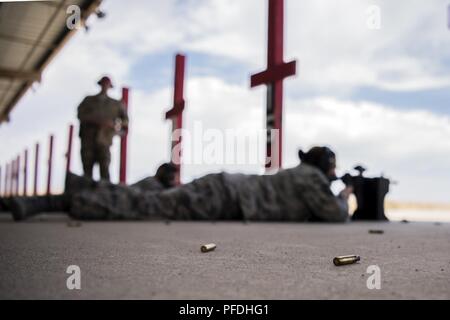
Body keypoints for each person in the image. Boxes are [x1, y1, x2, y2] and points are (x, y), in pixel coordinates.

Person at [11, 146, 353, 223]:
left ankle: (77, 186)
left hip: (222, 189)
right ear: (325, 167)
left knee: (142, 199)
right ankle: (52, 202)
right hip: (224, 197)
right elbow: (334, 215)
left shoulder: (301, 174)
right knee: (141, 206)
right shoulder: (312, 178)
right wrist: (346, 197)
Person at [9, 163, 178, 221]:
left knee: (81, 197)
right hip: (120, 196)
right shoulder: (154, 185)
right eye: (172, 177)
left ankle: (26, 204)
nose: (175, 180)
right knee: (84, 200)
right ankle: (29, 204)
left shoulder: (155, 184)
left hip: (117, 194)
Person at [77, 76, 129, 181]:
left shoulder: (116, 104)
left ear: (110, 86)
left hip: (104, 139)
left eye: (107, 84)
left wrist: (115, 128)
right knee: (87, 168)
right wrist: (95, 120)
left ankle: (104, 193)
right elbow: (80, 115)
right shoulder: (88, 100)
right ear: (100, 84)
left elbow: (125, 121)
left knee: (104, 168)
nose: (105, 86)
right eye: (103, 83)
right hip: (88, 138)